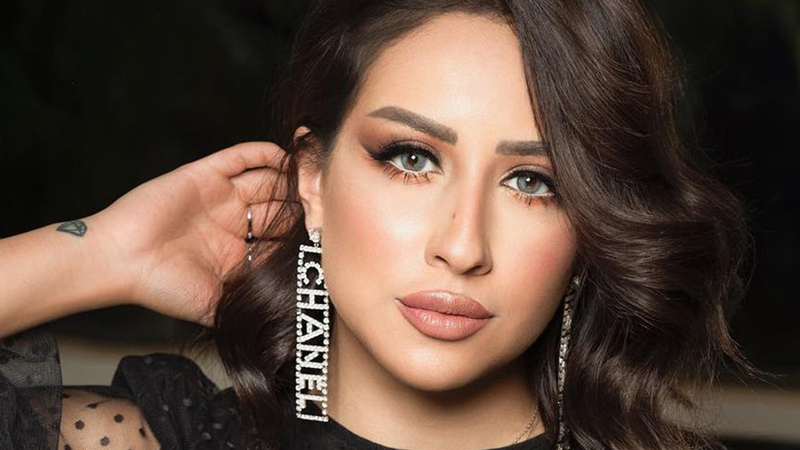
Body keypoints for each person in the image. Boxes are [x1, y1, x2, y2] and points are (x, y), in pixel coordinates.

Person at [0, 0, 757, 449]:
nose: (462, 246)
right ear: (313, 180)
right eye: (412, 159)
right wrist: (105, 253)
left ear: (591, 224)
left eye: (533, 182)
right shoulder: (158, 437)